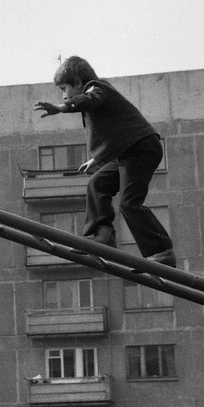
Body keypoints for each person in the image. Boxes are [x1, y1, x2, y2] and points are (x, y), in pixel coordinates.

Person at [34, 56, 176, 267]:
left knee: (129, 204)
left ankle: (161, 251)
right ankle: (103, 235)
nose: (64, 96)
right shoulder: (96, 93)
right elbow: (114, 131)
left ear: (78, 82)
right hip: (126, 151)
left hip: (140, 149)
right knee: (97, 183)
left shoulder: (97, 88)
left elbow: (90, 99)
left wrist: (61, 108)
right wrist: (97, 159)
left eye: (65, 89)